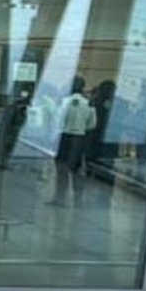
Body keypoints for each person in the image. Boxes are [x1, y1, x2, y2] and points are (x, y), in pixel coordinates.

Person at [52, 77, 98, 206]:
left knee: (62, 169)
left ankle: (60, 198)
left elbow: (59, 120)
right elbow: (92, 124)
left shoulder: (65, 101)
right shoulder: (88, 103)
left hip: (65, 137)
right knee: (76, 170)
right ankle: (78, 200)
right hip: (80, 138)